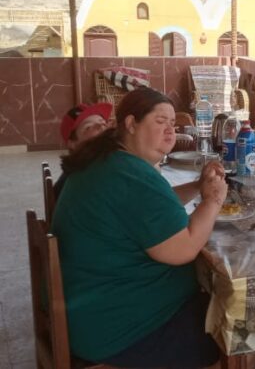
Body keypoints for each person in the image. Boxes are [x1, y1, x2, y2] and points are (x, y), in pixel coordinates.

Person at [52, 87, 227, 368]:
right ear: (131, 124)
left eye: (173, 124)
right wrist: (214, 199)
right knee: (230, 325)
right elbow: (183, 249)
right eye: (160, 122)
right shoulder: (127, 173)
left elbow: (153, 208)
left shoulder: (110, 161)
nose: (170, 131)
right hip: (121, 330)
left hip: (97, 307)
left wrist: (197, 187)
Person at [54, 102, 112, 197]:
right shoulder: (88, 175)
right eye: (88, 127)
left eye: (102, 121)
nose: (101, 126)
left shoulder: (104, 164)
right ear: (72, 143)